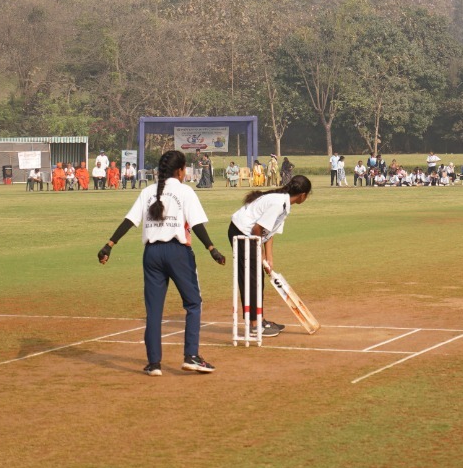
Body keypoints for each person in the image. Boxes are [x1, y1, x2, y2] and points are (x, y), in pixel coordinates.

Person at [97, 150, 225, 376]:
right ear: (180, 170)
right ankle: (191, 356)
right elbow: (196, 225)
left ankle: (154, 363)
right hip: (178, 252)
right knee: (193, 303)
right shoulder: (185, 191)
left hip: (152, 254)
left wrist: (109, 245)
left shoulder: (147, 191)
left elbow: (130, 220)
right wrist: (212, 249)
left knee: (154, 310)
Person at [228, 174, 312, 339]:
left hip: (251, 235)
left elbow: (268, 231)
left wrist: (269, 258)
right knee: (252, 280)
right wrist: (261, 253)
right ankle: (254, 326)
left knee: (258, 279)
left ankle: (259, 319)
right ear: (303, 195)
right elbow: (257, 229)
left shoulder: (284, 203)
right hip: (242, 232)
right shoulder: (278, 203)